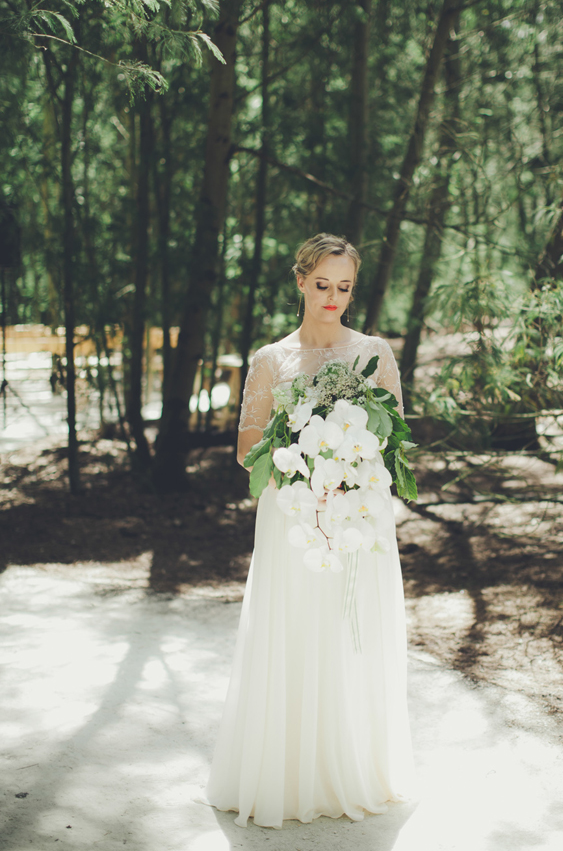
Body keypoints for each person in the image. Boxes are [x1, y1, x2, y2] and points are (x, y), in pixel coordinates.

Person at [205, 233, 414, 828]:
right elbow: (248, 449)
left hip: (358, 517)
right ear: (300, 281)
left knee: (352, 632)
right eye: (322, 284)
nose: (333, 297)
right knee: (294, 629)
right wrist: (305, 456)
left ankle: (353, 766)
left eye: (344, 287)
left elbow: (391, 438)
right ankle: (287, 772)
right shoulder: (272, 359)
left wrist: (348, 470)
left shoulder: (374, 353)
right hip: (293, 514)